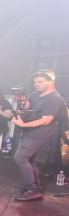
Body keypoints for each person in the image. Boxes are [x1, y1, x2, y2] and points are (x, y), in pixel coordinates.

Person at [12, 69, 66, 201]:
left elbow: (46, 120)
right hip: (30, 131)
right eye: (35, 82)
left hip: (41, 133)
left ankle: (32, 189)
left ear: (51, 81)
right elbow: (28, 110)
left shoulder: (55, 98)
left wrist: (23, 125)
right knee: (29, 159)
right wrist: (23, 106)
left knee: (20, 157)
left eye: (41, 82)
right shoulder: (34, 95)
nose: (37, 84)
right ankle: (34, 188)